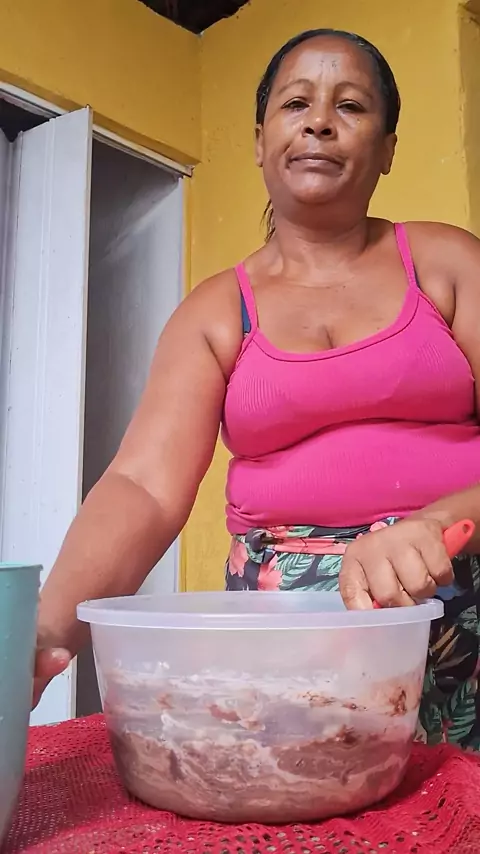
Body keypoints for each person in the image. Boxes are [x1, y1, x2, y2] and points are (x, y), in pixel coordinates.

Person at [35, 29, 480, 747]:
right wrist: (46, 632)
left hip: (464, 588)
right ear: (259, 140)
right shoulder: (215, 311)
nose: (319, 121)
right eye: (295, 103)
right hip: (290, 644)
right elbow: (143, 486)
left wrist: (440, 523)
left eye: (351, 106)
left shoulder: (448, 262)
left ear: (388, 148)